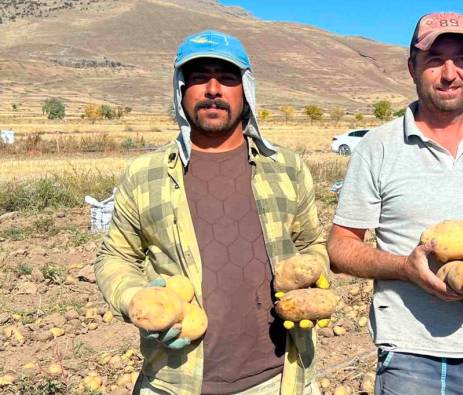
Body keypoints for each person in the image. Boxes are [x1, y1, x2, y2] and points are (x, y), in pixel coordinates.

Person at [327, 12, 463, 394]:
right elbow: (340, 247)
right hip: (412, 358)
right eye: (434, 59)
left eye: (462, 59)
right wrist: (404, 268)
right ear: (412, 67)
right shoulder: (377, 147)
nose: (450, 73)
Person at [95, 30, 327, 395]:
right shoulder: (144, 174)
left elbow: (312, 242)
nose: (213, 89)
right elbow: (115, 257)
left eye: (227, 78)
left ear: (245, 90)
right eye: (200, 78)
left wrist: (311, 273)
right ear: (181, 89)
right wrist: (135, 297)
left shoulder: (286, 167)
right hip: (176, 381)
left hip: (280, 380)